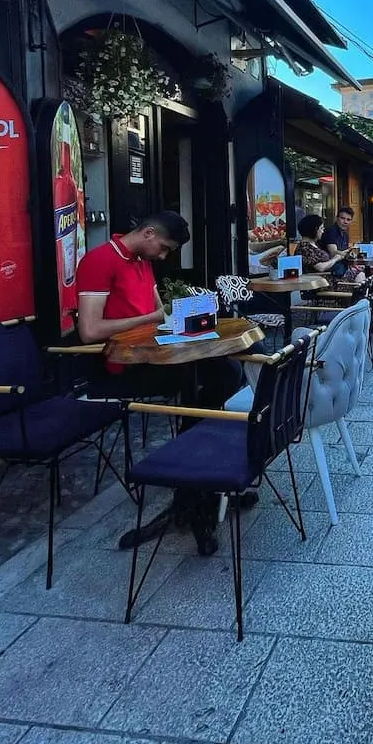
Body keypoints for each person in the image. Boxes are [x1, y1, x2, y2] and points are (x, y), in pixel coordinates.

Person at [76, 211, 245, 555]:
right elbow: (89, 331)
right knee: (205, 379)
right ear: (149, 233)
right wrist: (153, 318)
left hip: (159, 351)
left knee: (226, 371)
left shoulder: (141, 260)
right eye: (164, 248)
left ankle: (195, 481)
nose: (164, 256)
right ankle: (194, 483)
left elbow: (160, 314)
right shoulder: (99, 261)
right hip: (125, 364)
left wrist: (187, 317)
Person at [297, 214, 366, 284]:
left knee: (361, 275)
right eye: (321, 228)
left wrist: (344, 254)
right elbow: (320, 267)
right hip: (324, 283)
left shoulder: (315, 244)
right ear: (314, 229)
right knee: (360, 278)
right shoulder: (305, 248)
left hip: (330, 279)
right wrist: (335, 259)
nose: (322, 231)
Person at [321, 206, 355, 278]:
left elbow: (344, 253)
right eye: (342, 218)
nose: (345, 222)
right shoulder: (331, 232)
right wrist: (348, 253)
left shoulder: (345, 234)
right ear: (337, 218)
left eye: (348, 220)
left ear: (351, 222)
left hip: (343, 268)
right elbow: (333, 252)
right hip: (332, 271)